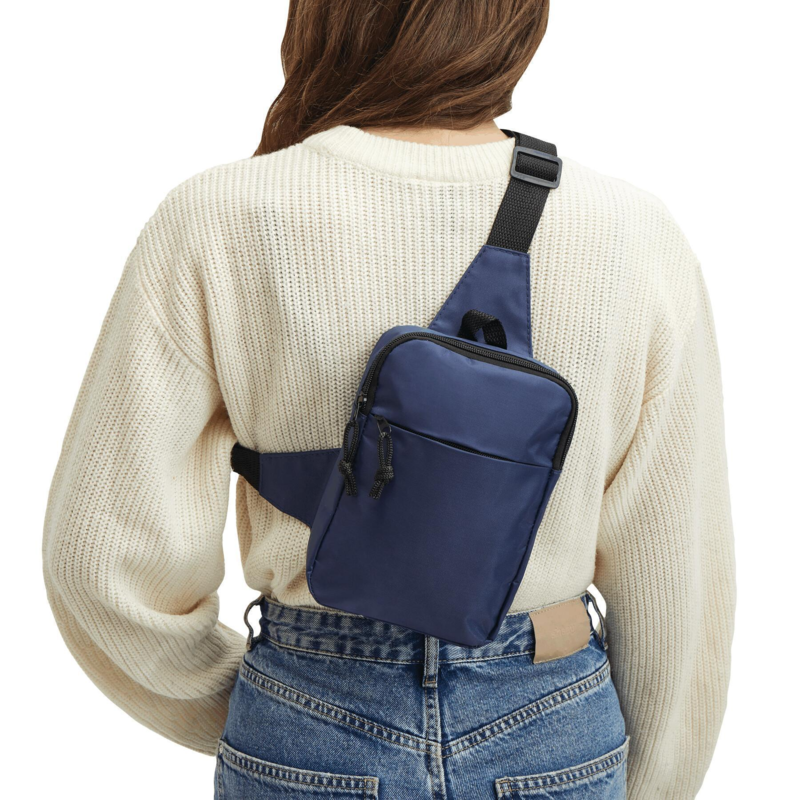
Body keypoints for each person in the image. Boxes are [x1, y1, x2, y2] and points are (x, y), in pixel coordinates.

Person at [42, 1, 735, 797]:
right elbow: (677, 569)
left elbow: (100, 560)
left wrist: (275, 701)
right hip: (552, 720)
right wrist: (654, 780)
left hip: (310, 707)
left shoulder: (219, 217)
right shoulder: (634, 232)